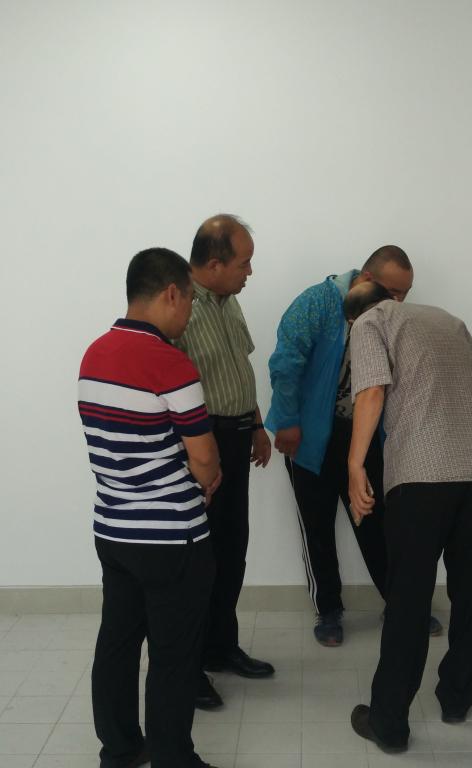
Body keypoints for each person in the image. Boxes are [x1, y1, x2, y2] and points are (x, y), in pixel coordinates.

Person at [345, 281, 472, 753]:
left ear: (352, 317)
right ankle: (457, 696)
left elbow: (372, 393)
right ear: (393, 297)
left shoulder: (369, 323)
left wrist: (354, 465)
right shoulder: (449, 321)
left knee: (409, 598)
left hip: (422, 473)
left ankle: (389, 723)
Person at [78, 248, 221, 768]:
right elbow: (203, 455)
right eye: (191, 301)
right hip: (171, 536)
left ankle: (119, 750)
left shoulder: (94, 353)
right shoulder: (169, 362)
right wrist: (210, 478)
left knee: (117, 642)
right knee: (173, 653)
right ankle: (171, 758)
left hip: (114, 529)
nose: (190, 313)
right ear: (170, 293)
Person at [265, 246, 442, 645]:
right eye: (393, 292)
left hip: (365, 434)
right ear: (366, 278)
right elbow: (286, 364)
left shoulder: (394, 318)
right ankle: (328, 610)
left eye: (405, 294)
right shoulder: (316, 303)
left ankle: (402, 604)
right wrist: (288, 422)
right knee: (317, 526)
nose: (399, 302)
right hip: (309, 436)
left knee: (380, 524)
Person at [177, 214, 273, 710]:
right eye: (244, 263)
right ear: (214, 263)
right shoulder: (180, 308)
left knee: (233, 549)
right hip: (202, 444)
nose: (249, 272)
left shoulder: (229, 301)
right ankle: (188, 667)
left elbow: (241, 367)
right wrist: (201, 454)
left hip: (237, 435)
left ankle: (221, 647)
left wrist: (256, 426)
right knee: (199, 561)